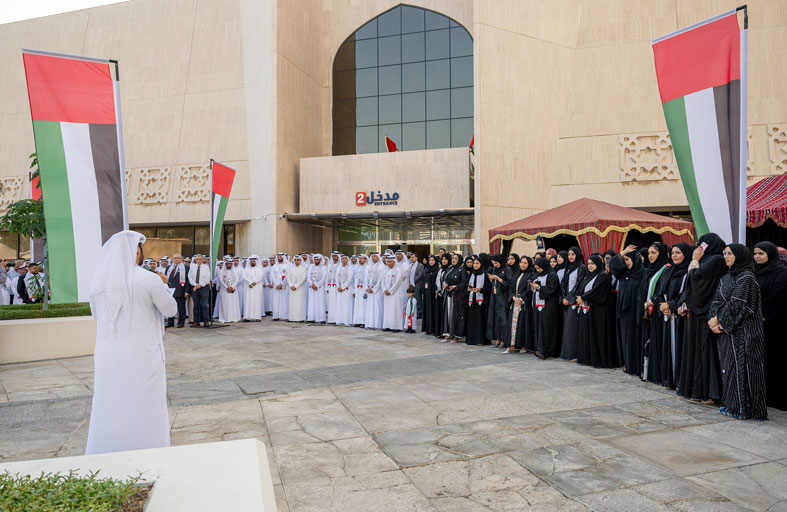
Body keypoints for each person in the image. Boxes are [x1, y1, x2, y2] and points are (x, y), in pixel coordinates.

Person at [85, 231, 177, 455]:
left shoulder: (98, 283)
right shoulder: (149, 279)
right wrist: (164, 285)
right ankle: (148, 449)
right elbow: (170, 309)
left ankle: (109, 448)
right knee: (145, 402)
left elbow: (97, 315)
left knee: (111, 402)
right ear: (135, 252)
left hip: (109, 354)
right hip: (142, 354)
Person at [708, 244, 767, 420]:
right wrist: (713, 320)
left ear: (739, 256)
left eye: (730, 254)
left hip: (745, 332)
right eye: (724, 253)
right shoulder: (727, 277)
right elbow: (717, 300)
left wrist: (718, 321)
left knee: (744, 369)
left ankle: (746, 409)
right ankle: (732, 405)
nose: (726, 257)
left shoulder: (746, 277)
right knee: (729, 368)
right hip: (727, 331)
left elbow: (739, 304)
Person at [677, 233, 726, 403]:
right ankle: (695, 390)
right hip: (695, 311)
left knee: (704, 352)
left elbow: (695, 280)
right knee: (695, 352)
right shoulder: (707, 260)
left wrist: (694, 261)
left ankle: (708, 392)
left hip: (705, 312)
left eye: (702, 244)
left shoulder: (715, 260)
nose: (699, 248)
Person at [753, 242, 787, 410]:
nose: (757, 257)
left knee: (777, 362)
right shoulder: (754, 272)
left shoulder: (782, 273)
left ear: (771, 254)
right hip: (757, 325)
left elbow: (777, 297)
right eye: (755, 253)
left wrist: (760, 313)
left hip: (776, 325)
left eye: (761, 253)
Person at [655, 243, 692, 389]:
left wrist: (671, 305)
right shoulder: (668, 271)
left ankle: (679, 381)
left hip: (680, 315)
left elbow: (686, 293)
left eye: (678, 252)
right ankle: (669, 379)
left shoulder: (688, 272)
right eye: (673, 253)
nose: (674, 255)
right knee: (668, 347)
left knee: (679, 347)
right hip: (667, 314)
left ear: (685, 254)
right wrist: (662, 305)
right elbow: (659, 291)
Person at [575, 254, 613, 367]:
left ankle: (597, 359)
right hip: (587, 309)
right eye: (589, 264)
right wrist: (579, 297)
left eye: (593, 264)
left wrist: (583, 298)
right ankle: (586, 358)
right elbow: (581, 289)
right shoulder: (588, 276)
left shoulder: (603, 276)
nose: (590, 266)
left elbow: (597, 291)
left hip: (598, 310)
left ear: (598, 264)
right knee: (586, 334)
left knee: (596, 334)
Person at [641, 242, 670, 383]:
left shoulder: (666, 269)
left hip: (660, 310)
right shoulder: (650, 269)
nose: (650, 256)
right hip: (650, 311)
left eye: (654, 253)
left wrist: (651, 301)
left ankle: (658, 374)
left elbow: (663, 291)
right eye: (649, 253)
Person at [530, 257, 560, 359]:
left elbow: (552, 289)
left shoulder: (552, 275)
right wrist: (532, 286)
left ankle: (546, 350)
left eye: (539, 268)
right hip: (538, 305)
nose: (538, 270)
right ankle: (538, 348)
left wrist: (538, 287)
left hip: (548, 306)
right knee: (538, 326)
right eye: (536, 268)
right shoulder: (537, 275)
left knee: (546, 327)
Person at [559, 247, 585, 360]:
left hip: (574, 301)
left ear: (578, 255)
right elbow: (563, 285)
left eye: (573, 254)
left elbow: (579, 285)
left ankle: (574, 354)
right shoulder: (569, 267)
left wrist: (569, 298)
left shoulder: (581, 267)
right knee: (567, 327)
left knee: (572, 327)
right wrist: (563, 298)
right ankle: (567, 353)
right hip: (566, 301)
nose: (570, 257)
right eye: (569, 254)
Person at [505, 256, 534, 353]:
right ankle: (512, 345)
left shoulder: (531, 274)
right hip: (515, 303)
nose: (523, 265)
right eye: (521, 262)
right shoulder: (517, 274)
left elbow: (530, 290)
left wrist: (521, 298)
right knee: (513, 325)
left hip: (524, 303)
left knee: (523, 325)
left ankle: (523, 346)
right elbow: (511, 288)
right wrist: (513, 297)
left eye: (525, 263)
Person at [442, 253, 469, 342]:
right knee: (448, 314)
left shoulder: (461, 270)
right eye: (453, 258)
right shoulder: (450, 268)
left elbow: (464, 282)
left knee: (456, 315)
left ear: (459, 260)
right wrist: (444, 283)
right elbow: (444, 277)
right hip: (448, 295)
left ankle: (456, 336)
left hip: (457, 296)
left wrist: (455, 287)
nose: (453, 260)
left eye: (456, 258)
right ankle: (447, 334)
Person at [465, 256, 490, 345]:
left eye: (477, 263)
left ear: (481, 264)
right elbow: (468, 285)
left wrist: (480, 290)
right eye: (474, 263)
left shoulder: (485, 275)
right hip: (472, 300)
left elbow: (488, 288)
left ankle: (481, 340)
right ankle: (472, 339)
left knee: (480, 320)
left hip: (481, 301)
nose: (475, 265)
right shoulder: (472, 274)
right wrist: (468, 289)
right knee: (472, 320)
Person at [486, 254, 508, 348]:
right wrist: (491, 280)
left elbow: (509, 283)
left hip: (503, 296)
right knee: (495, 318)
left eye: (496, 263)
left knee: (503, 318)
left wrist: (498, 278)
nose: (495, 265)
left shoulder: (507, 269)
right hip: (494, 296)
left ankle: (504, 339)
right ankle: (498, 337)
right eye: (493, 263)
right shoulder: (495, 269)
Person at [166, 254, 190, 328]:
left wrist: (186, 291)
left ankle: (181, 322)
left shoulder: (186, 268)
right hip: (170, 290)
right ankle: (170, 322)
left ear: (181, 259)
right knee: (170, 307)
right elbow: (166, 279)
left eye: (177, 258)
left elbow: (188, 280)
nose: (175, 259)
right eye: (174, 258)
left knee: (181, 308)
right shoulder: (169, 267)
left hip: (180, 290)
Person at [188, 255, 212, 327]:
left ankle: (206, 321)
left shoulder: (206, 267)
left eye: (200, 259)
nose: (198, 260)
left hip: (204, 288)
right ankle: (196, 321)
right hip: (195, 288)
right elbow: (190, 277)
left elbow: (207, 278)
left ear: (202, 260)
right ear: (195, 260)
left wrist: (200, 285)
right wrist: (195, 285)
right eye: (197, 259)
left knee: (204, 305)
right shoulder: (192, 267)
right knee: (196, 305)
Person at [382, 256, 404, 331]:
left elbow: (398, 282)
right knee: (387, 309)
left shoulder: (398, 270)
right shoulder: (385, 270)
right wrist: (385, 289)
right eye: (387, 262)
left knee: (395, 309)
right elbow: (382, 281)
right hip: (386, 294)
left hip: (395, 293)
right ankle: (387, 325)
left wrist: (390, 291)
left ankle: (396, 326)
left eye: (390, 262)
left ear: (394, 262)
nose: (388, 263)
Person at [364, 252, 385, 329]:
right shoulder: (369, 266)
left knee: (377, 307)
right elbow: (366, 278)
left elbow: (381, 279)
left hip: (377, 291)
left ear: (378, 257)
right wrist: (366, 287)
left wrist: (374, 289)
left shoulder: (382, 266)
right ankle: (370, 324)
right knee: (370, 308)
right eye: (372, 256)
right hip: (369, 290)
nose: (373, 258)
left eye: (375, 256)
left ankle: (377, 325)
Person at [422, 255, 439, 335]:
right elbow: (423, 281)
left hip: (433, 293)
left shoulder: (437, 270)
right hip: (426, 292)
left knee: (433, 309)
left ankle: (433, 328)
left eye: (433, 260)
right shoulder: (426, 270)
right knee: (427, 309)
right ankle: (427, 328)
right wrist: (423, 292)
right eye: (430, 260)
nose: (431, 262)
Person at [286, 255, 307, 322]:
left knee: (300, 303)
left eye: (298, 260)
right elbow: (288, 278)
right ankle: (292, 318)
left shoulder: (303, 269)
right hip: (292, 288)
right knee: (292, 303)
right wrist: (291, 285)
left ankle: (300, 318)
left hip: (300, 289)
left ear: (300, 261)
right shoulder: (291, 269)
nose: (296, 261)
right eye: (295, 260)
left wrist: (296, 286)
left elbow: (303, 279)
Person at [335, 254, 354, 326]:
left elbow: (349, 279)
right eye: (342, 258)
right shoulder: (338, 268)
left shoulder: (350, 268)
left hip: (347, 289)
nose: (344, 260)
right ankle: (340, 320)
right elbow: (336, 278)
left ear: (347, 260)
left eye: (345, 258)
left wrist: (342, 287)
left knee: (346, 305)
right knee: (340, 305)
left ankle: (347, 321)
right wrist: (338, 286)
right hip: (339, 289)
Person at [271, 254, 289, 320]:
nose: (279, 258)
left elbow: (287, 276)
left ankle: (285, 316)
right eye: (278, 257)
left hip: (284, 286)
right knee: (276, 300)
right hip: (276, 286)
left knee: (284, 301)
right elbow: (272, 276)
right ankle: (276, 316)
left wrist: (282, 284)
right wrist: (277, 284)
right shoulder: (274, 266)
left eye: (280, 257)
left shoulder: (287, 265)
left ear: (283, 257)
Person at [352, 254, 369, 327]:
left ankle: (363, 322)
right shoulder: (357, 267)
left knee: (363, 306)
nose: (360, 260)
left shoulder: (367, 267)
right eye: (359, 259)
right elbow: (355, 280)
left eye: (361, 259)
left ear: (365, 259)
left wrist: (366, 291)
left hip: (363, 290)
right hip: (357, 289)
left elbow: (367, 280)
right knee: (357, 306)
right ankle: (357, 321)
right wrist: (354, 290)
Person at [326, 252, 340, 323]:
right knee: (331, 303)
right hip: (331, 286)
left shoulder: (340, 265)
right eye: (333, 256)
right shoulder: (329, 266)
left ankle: (337, 319)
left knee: (337, 303)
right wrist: (326, 287)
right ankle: (331, 319)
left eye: (336, 256)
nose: (334, 257)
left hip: (337, 287)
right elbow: (327, 277)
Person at [409, 253, 425, 319]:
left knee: (418, 299)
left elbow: (420, 275)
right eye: (411, 257)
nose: (412, 258)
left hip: (417, 284)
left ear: (416, 258)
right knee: (411, 299)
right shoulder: (410, 265)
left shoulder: (420, 265)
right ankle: (413, 312)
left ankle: (419, 313)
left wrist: (412, 281)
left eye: (413, 257)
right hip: (410, 285)